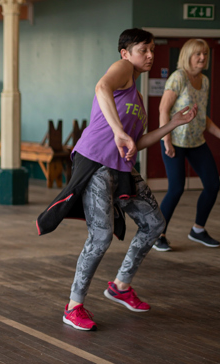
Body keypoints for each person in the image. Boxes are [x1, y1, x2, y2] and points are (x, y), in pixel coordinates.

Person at [36, 29, 197, 331]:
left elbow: (141, 139)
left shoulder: (136, 94)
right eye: (143, 50)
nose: (149, 55)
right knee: (100, 237)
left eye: (152, 50)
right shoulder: (122, 69)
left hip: (121, 168)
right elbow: (100, 87)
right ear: (125, 53)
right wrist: (118, 131)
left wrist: (173, 124)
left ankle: (120, 286)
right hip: (95, 162)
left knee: (154, 224)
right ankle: (73, 307)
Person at [153, 39, 220, 251]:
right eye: (197, 54)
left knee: (212, 184)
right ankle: (158, 234)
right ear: (188, 56)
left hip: (196, 141)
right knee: (176, 188)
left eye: (205, 54)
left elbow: (202, 117)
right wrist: (167, 141)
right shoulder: (178, 77)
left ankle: (198, 230)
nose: (202, 58)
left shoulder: (205, 81)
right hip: (174, 142)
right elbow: (163, 110)